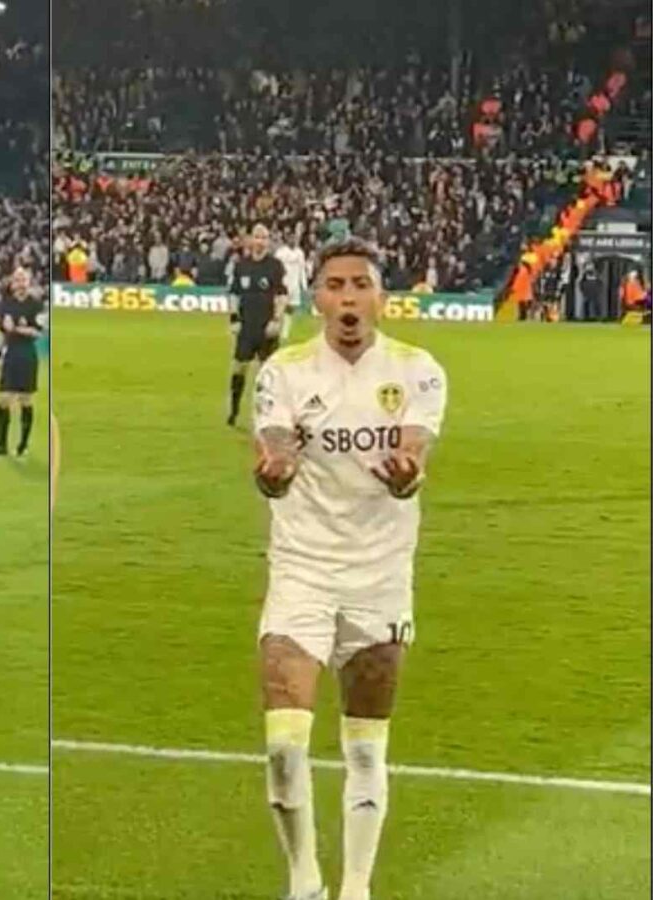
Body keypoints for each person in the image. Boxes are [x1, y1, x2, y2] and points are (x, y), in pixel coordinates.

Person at [252, 237, 447, 900]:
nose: (348, 297)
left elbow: (414, 451)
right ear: (318, 299)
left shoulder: (418, 370)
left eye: (360, 284)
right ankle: (303, 881)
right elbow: (275, 450)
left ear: (380, 297)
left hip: (379, 574)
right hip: (302, 568)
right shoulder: (285, 371)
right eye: (335, 285)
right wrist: (275, 474)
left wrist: (405, 476)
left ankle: (356, 888)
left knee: (365, 748)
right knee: (284, 743)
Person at [227, 223, 289, 427]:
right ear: (250, 239)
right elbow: (235, 294)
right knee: (238, 368)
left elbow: (281, 295)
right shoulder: (241, 265)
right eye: (257, 236)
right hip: (246, 327)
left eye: (264, 237)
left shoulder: (275, 266)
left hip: (266, 327)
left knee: (268, 375)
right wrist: (234, 318)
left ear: (268, 241)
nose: (260, 241)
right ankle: (234, 411)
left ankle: (267, 416)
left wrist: (277, 320)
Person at [0, 266, 43, 458]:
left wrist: (15, 329)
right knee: (2, 398)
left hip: (27, 353)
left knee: (25, 399)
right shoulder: (4, 304)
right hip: (10, 353)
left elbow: (38, 332)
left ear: (29, 282)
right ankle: (1, 444)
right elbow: (1, 331)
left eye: (24, 279)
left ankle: (23, 444)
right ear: (13, 283)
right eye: (17, 279)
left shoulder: (36, 305)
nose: (20, 283)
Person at [273, 232, 309, 340]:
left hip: (295, 286)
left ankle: (285, 332)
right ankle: (276, 330)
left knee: (290, 309)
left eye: (295, 239)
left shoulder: (300, 253)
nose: (293, 241)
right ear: (287, 240)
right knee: (279, 309)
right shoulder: (280, 252)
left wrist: (304, 286)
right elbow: (274, 268)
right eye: (291, 239)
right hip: (283, 284)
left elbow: (302, 270)